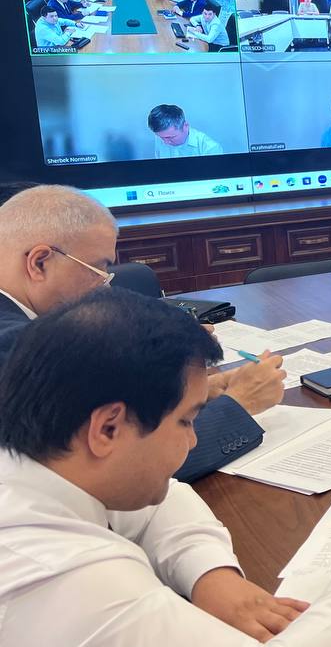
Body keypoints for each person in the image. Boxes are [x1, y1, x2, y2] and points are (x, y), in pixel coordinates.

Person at [0, 288, 331, 647]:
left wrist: (211, 576)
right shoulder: (72, 582)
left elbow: (161, 499)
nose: (193, 441)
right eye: (186, 420)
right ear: (108, 428)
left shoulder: (40, 469)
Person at [0, 185, 281, 481]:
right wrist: (241, 402)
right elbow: (119, 467)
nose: (104, 287)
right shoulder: (15, 347)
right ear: (39, 262)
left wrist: (188, 394)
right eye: (98, 269)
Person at [148, 104, 225, 158]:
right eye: (161, 137)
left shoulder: (210, 148)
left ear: (185, 126)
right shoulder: (161, 137)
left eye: (170, 137)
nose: (165, 142)